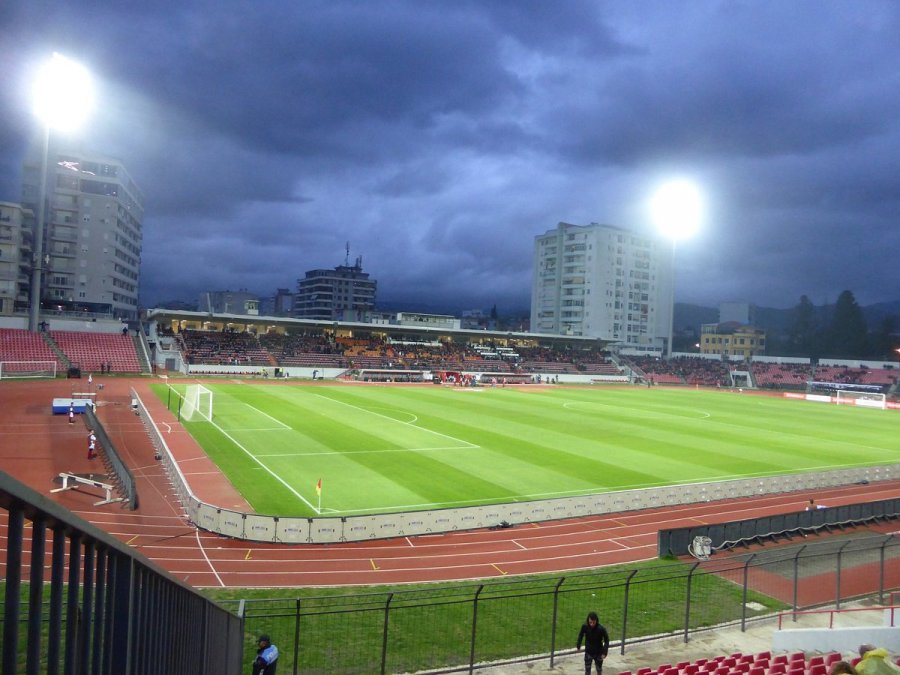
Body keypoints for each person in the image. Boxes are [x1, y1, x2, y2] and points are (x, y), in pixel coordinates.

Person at [576, 611, 609, 675]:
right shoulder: (585, 627)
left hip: (599, 652)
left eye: (593, 622)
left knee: (599, 670)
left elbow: (607, 640)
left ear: (596, 621)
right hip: (589, 652)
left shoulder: (601, 629)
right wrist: (578, 645)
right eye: (590, 622)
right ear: (588, 620)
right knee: (587, 671)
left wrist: (604, 652)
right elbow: (581, 635)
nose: (592, 624)